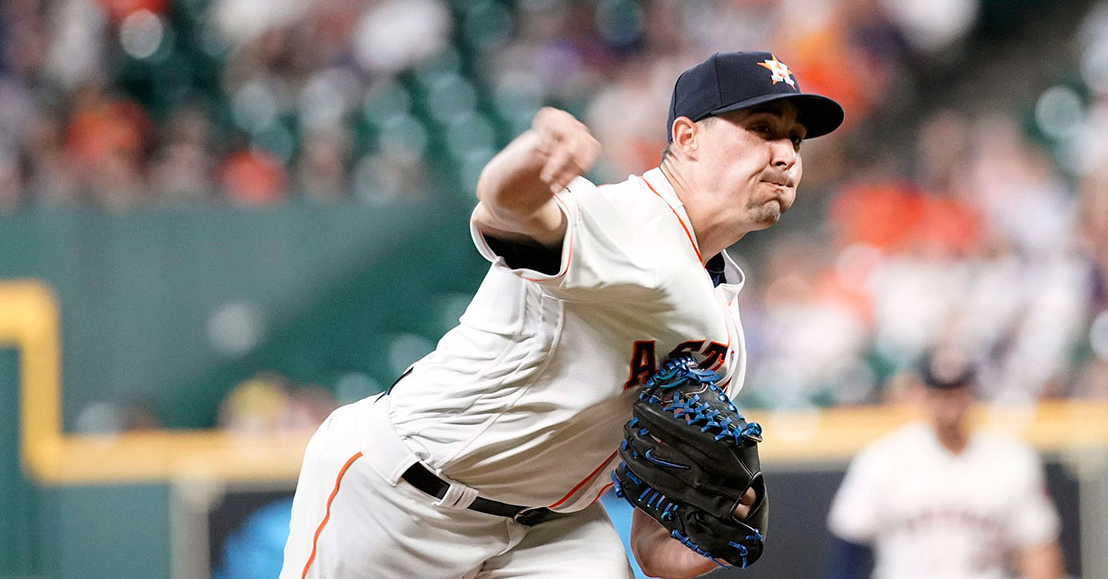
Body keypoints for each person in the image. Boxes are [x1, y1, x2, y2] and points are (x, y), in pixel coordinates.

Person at [278, 51, 845, 579]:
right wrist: (532, 160)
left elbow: (653, 546)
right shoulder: (629, 221)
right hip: (400, 498)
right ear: (687, 137)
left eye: (796, 139)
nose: (787, 155)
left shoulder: (724, 325)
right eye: (763, 130)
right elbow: (508, 212)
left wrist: (697, 545)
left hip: (549, 531)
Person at [825, 349, 1064, 579]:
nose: (949, 402)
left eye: (957, 392)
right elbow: (850, 543)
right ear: (923, 395)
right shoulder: (882, 458)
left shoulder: (1012, 459)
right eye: (940, 393)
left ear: (972, 393)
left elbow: (1038, 546)